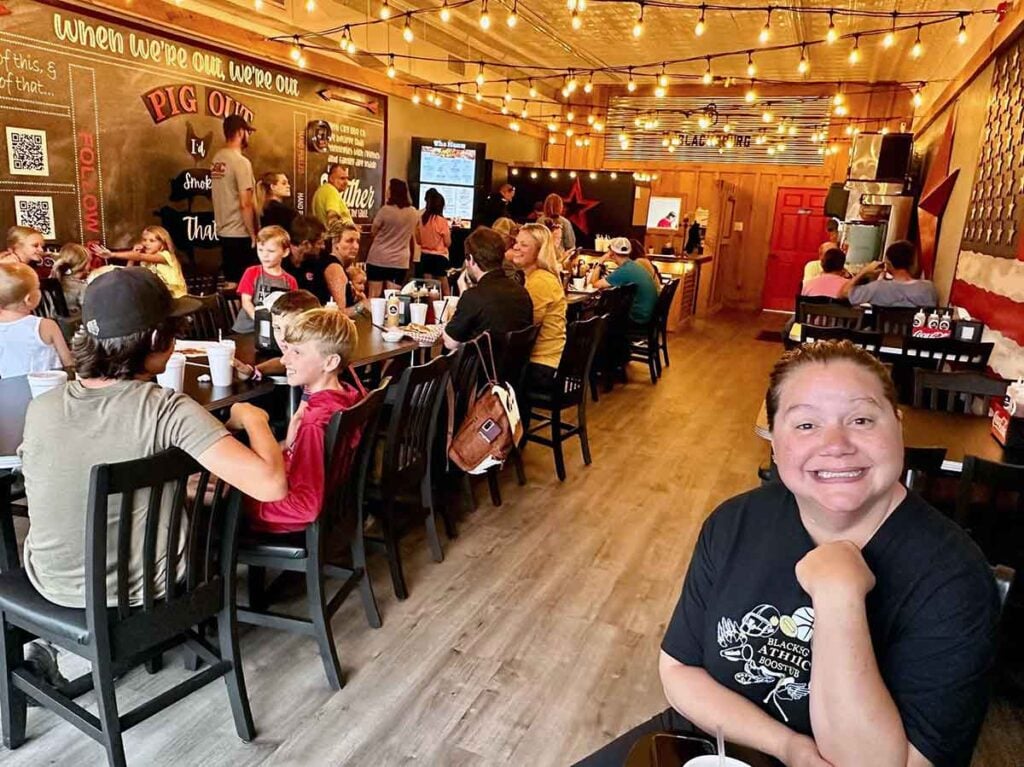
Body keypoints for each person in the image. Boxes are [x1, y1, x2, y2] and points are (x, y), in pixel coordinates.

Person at [575, 341, 999, 767]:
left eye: (862, 419)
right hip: (713, 742)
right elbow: (680, 671)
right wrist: (787, 746)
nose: (836, 444)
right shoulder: (735, 522)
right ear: (774, 443)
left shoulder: (954, 578)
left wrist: (839, 597)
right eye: (806, 425)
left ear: (898, 427)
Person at [19, 267, 287, 608]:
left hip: (50, 581)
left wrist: (175, 486)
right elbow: (272, 485)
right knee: (222, 510)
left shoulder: (42, 405)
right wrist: (255, 418)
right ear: (160, 341)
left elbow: (78, 470)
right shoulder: (167, 408)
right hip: (143, 590)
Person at [246, 309, 364, 533]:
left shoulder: (314, 423)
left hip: (295, 513)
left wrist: (244, 499)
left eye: (297, 352)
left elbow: (305, 508)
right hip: (322, 493)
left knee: (215, 493)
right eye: (287, 349)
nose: (284, 359)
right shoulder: (348, 392)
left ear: (330, 362)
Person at [442, 227, 532, 351]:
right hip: (514, 368)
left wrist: (464, 293)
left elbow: (450, 343)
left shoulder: (474, 297)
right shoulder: (522, 293)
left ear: (471, 260)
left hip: (482, 368)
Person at [511, 224, 566, 392]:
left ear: (539, 251)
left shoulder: (540, 281)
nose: (516, 247)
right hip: (549, 359)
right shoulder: (536, 277)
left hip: (542, 366)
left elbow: (524, 326)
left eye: (524, 244)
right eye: (516, 242)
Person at [0, 262, 73, 378]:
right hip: (48, 389)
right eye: (38, 288)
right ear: (28, 299)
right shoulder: (45, 325)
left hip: (11, 390)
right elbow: (68, 362)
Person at [234, 289, 321, 381]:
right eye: (277, 328)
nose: (282, 337)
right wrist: (254, 371)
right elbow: (284, 363)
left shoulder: (322, 359)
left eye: (291, 328)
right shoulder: (300, 356)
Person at [211, 114, 258, 282]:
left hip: (224, 232)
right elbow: (245, 203)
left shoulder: (217, 159)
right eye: (248, 131)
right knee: (244, 286)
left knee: (231, 283)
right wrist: (253, 235)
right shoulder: (241, 162)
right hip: (240, 234)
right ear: (240, 132)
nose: (249, 136)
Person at [233, 225, 299, 333]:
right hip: (247, 330)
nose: (264, 255)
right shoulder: (252, 272)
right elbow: (246, 302)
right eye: (260, 250)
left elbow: (292, 309)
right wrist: (261, 321)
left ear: (285, 252)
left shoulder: (290, 281)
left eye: (271, 251)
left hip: (276, 332)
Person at [839, 240, 939, 307]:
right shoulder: (928, 288)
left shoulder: (877, 288)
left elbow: (843, 293)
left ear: (888, 263)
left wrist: (864, 271)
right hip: (916, 337)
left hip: (882, 337)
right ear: (913, 262)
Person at [96, 226, 187, 298]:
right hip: (159, 296)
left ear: (162, 243)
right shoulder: (145, 262)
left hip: (175, 297)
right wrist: (133, 254)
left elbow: (140, 257)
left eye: (152, 241)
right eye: (144, 240)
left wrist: (112, 255)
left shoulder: (166, 255)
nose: (146, 244)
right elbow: (127, 272)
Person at [588, 236, 658, 326]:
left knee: (599, 316)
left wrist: (600, 261)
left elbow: (594, 285)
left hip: (638, 318)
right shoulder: (633, 266)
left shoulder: (624, 271)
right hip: (647, 314)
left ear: (612, 253)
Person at [366, 178, 418, 298]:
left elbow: (373, 231)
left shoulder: (385, 211)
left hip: (378, 258)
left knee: (374, 297)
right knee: (393, 298)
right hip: (399, 261)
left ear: (392, 191)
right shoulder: (413, 213)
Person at [284, 216, 331, 303]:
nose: (323, 246)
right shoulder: (278, 262)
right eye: (319, 243)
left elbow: (322, 299)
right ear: (305, 244)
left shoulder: (318, 261)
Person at [323, 222, 367, 316]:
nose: (356, 246)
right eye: (349, 241)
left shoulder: (339, 266)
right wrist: (364, 305)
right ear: (335, 242)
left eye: (357, 241)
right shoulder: (334, 267)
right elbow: (339, 313)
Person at [416, 188, 452, 290]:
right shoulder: (441, 221)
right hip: (439, 258)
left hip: (425, 257)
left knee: (429, 288)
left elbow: (418, 240)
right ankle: (447, 304)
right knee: (444, 287)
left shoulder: (422, 219)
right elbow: (448, 242)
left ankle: (430, 305)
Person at [50, 242, 91, 313]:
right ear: (84, 264)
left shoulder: (52, 281)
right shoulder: (82, 286)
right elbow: (89, 310)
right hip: (73, 322)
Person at [311, 163, 353, 229]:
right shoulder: (331, 191)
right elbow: (333, 220)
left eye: (347, 178)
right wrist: (350, 229)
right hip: (334, 238)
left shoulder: (322, 190)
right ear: (331, 178)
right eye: (342, 178)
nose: (346, 182)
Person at [804, 219, 843, 284]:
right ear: (821, 256)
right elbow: (807, 286)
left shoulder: (842, 269)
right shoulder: (812, 266)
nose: (832, 237)